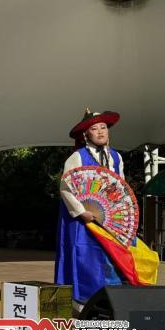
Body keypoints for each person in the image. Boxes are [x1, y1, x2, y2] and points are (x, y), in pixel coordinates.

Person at [55, 108, 125, 315]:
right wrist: (81, 211)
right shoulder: (78, 157)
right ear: (86, 134)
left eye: (104, 127)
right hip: (81, 220)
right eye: (95, 129)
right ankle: (81, 304)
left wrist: (119, 213)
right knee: (84, 258)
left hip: (110, 219)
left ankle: (109, 301)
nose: (101, 131)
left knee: (110, 258)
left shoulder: (116, 158)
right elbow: (66, 187)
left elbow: (121, 187)